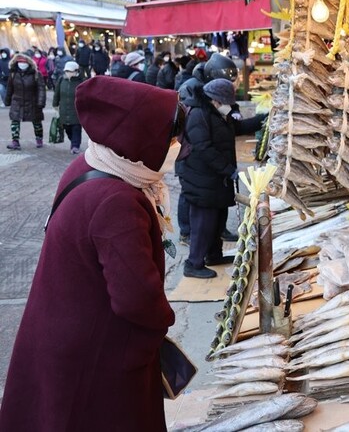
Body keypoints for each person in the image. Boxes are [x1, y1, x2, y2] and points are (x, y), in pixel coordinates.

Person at [0, 77, 181, 431]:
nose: (174, 147)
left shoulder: (95, 162)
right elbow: (136, 297)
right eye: (171, 138)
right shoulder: (117, 199)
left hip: (63, 331)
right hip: (94, 351)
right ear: (141, 135)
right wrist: (161, 325)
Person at [179, 78, 264, 278]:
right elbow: (203, 148)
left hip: (215, 179)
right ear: (215, 100)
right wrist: (228, 169)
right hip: (200, 178)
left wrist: (263, 118)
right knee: (203, 222)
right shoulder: (199, 114)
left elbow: (239, 127)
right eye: (226, 102)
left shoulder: (217, 114)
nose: (229, 107)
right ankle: (193, 263)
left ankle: (214, 255)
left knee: (217, 218)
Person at [4, 52, 46, 150]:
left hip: (32, 102)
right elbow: (9, 89)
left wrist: (41, 102)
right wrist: (7, 101)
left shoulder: (36, 74)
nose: (22, 64)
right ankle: (15, 141)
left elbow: (41, 89)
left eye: (24, 62)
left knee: (36, 121)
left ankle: (39, 138)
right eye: (19, 62)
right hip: (17, 101)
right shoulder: (13, 74)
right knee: (15, 121)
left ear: (29, 63)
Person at [53, 61, 86, 154]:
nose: (68, 73)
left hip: (76, 109)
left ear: (76, 71)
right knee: (67, 127)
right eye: (67, 71)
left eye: (70, 71)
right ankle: (73, 141)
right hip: (64, 109)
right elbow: (57, 93)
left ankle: (75, 145)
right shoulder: (61, 80)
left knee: (76, 127)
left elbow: (86, 96)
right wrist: (55, 104)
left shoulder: (81, 81)